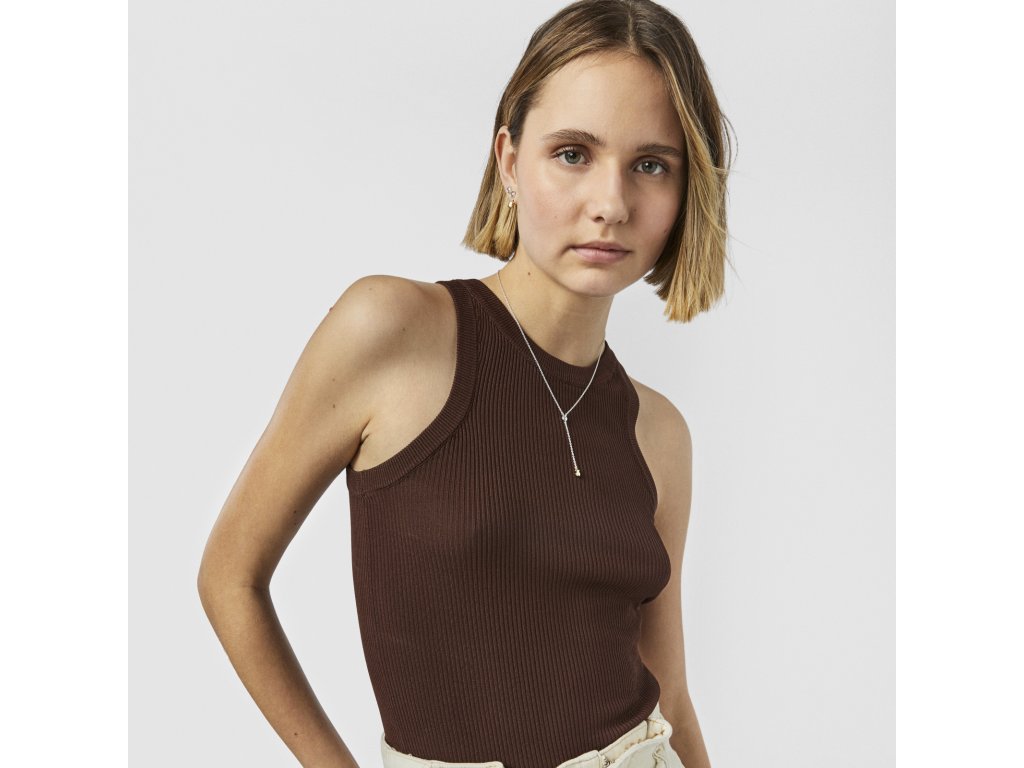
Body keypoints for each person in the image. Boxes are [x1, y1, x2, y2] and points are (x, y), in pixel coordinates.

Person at [197, 1, 733, 766]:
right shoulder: (390, 331)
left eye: (651, 165)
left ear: (684, 192)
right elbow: (229, 577)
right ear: (509, 160)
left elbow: (669, 693)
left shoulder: (659, 433)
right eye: (573, 153)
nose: (611, 204)